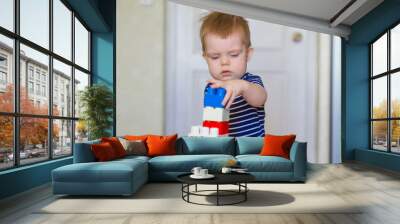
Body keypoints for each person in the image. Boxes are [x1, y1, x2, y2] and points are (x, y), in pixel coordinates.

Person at [200, 12, 268, 137]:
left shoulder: (251, 81)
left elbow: (260, 99)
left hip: (251, 151)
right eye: (215, 57)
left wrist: (243, 86)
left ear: (248, 54)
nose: (224, 62)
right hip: (223, 149)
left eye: (234, 55)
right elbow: (211, 120)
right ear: (206, 58)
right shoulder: (212, 88)